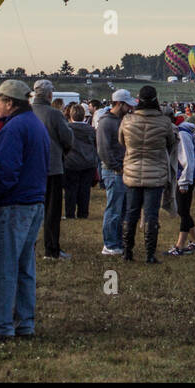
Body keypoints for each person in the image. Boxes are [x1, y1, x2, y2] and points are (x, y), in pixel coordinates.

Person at [0, 80, 48, 342]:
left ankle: (1, 324)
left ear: (10, 103)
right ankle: (24, 322)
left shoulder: (13, 128)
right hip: (34, 202)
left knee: (3, 267)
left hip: (14, 205)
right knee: (25, 266)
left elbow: (5, 171)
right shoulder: (36, 125)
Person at [119, 85, 176, 264]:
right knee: (151, 215)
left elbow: (121, 141)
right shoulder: (164, 121)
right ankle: (150, 254)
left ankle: (127, 252)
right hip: (156, 173)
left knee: (131, 213)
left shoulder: (127, 120)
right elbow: (171, 142)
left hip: (132, 172)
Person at [31, 79, 74, 261]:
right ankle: (52, 250)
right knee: (52, 211)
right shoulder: (54, 115)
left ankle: (28, 248)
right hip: (52, 168)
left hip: (30, 169)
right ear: (50, 95)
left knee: (30, 210)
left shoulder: (25, 113)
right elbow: (67, 139)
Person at [97, 90, 134, 256]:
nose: (130, 108)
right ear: (119, 104)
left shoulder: (121, 120)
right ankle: (110, 244)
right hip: (113, 171)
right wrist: (116, 166)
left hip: (123, 169)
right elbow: (103, 150)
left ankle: (118, 242)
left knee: (123, 209)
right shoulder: (105, 122)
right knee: (114, 209)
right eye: (127, 105)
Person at [166, 109, 195, 256]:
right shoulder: (179, 131)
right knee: (183, 209)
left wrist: (184, 182)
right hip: (185, 175)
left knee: (183, 210)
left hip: (187, 176)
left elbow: (188, 159)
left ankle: (180, 245)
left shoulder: (181, 134)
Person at [62, 103, 98, 220]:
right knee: (85, 190)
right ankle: (83, 213)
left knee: (70, 190)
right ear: (84, 116)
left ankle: (70, 213)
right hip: (88, 163)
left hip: (71, 162)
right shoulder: (91, 130)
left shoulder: (67, 128)